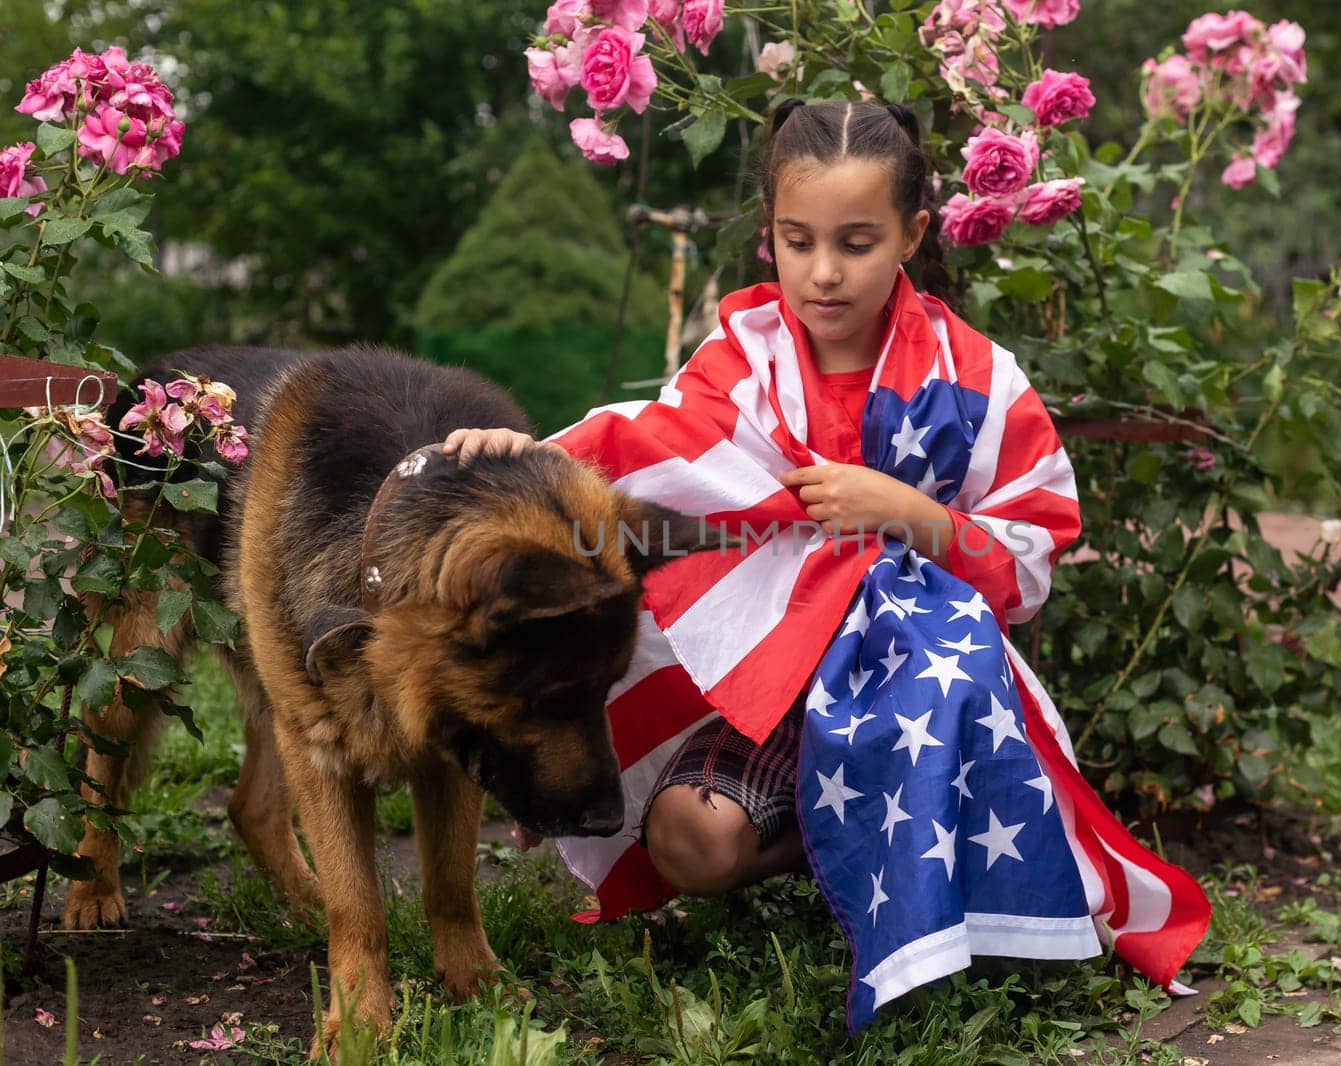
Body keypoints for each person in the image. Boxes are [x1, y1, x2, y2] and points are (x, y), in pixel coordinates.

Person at [444, 98, 1207, 1027]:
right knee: (693, 841)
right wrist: (526, 454)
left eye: (857, 242)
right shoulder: (745, 359)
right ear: (770, 234)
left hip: (919, 685)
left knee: (927, 768)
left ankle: (904, 854)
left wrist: (913, 515)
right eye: (797, 241)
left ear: (914, 233)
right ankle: (820, 833)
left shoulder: (976, 380)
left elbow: (1029, 563)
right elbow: (646, 444)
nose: (825, 273)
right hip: (779, 676)